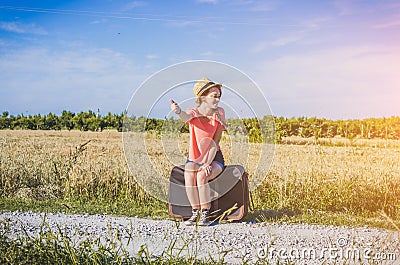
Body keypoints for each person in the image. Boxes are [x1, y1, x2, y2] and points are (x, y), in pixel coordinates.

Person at [170, 78, 226, 226]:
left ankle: (205, 214)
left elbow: (216, 141)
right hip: (194, 158)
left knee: (202, 176)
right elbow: (185, 117)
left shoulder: (219, 113)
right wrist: (178, 111)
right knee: (189, 174)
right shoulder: (193, 112)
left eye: (219, 96)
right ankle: (195, 212)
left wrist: (207, 163)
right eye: (214, 95)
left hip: (214, 157)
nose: (217, 99)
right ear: (203, 97)